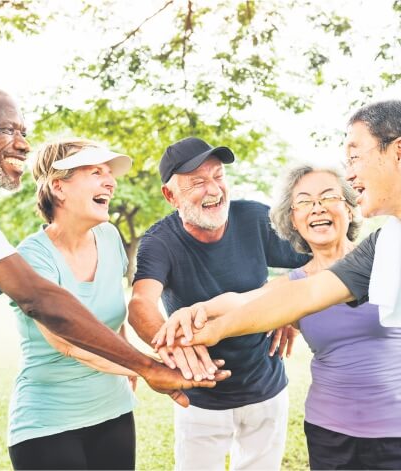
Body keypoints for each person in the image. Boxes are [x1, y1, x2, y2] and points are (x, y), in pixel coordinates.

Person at [162, 100, 401, 469]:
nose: (349, 173)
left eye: (355, 157)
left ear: (399, 151)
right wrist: (206, 326)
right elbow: (304, 293)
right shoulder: (388, 244)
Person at [0, 85, 227, 471]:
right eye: (6, 130)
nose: (21, 143)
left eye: (23, 132)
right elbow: (40, 300)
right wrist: (147, 367)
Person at [157, 162, 401, 469]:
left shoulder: (387, 258)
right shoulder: (294, 284)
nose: (316, 208)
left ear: (350, 207)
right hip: (329, 431)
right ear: (293, 220)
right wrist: (193, 311)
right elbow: (242, 301)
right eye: (303, 202)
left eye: (328, 197)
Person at [128, 137, 309, 470]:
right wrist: (172, 345)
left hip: (266, 390)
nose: (213, 189)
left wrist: (287, 305)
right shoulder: (159, 241)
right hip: (199, 399)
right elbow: (141, 302)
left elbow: (320, 256)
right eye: (197, 182)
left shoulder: (255, 218)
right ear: (171, 196)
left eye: (218, 176)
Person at [6, 139, 146, 470]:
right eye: (96, 171)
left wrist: (126, 355)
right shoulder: (33, 257)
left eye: (110, 173)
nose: (110, 181)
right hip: (47, 423)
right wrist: (147, 367)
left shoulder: (110, 238)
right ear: (59, 187)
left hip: (113, 411)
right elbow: (69, 342)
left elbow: (111, 317)